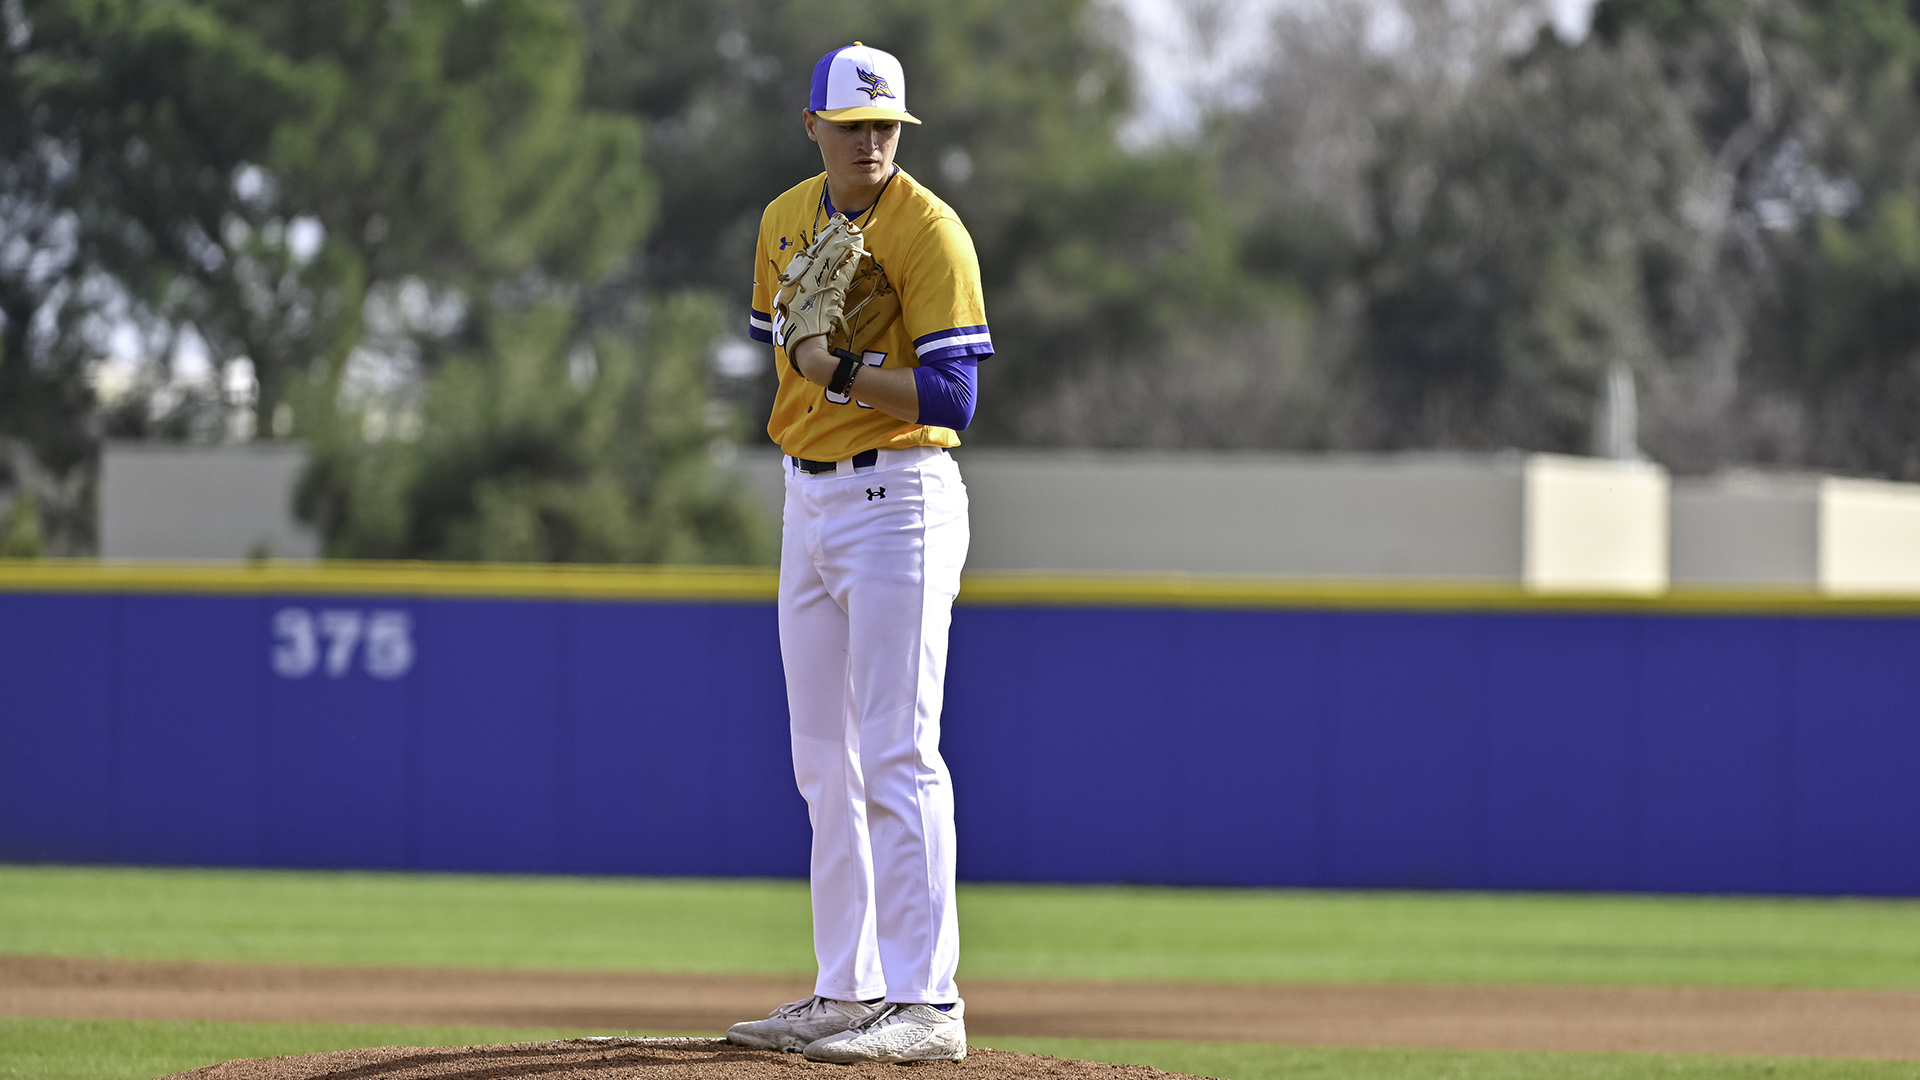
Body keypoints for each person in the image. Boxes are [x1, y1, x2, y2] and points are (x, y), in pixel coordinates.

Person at [723, 42, 989, 1065]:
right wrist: (815, 372)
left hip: (901, 498)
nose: (873, 141)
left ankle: (929, 1002)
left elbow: (957, 397)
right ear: (814, 129)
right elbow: (777, 354)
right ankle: (848, 987)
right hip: (808, 498)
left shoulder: (930, 230)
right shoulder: (783, 221)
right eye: (855, 125)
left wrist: (840, 370)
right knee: (821, 762)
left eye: (888, 126)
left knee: (897, 752)